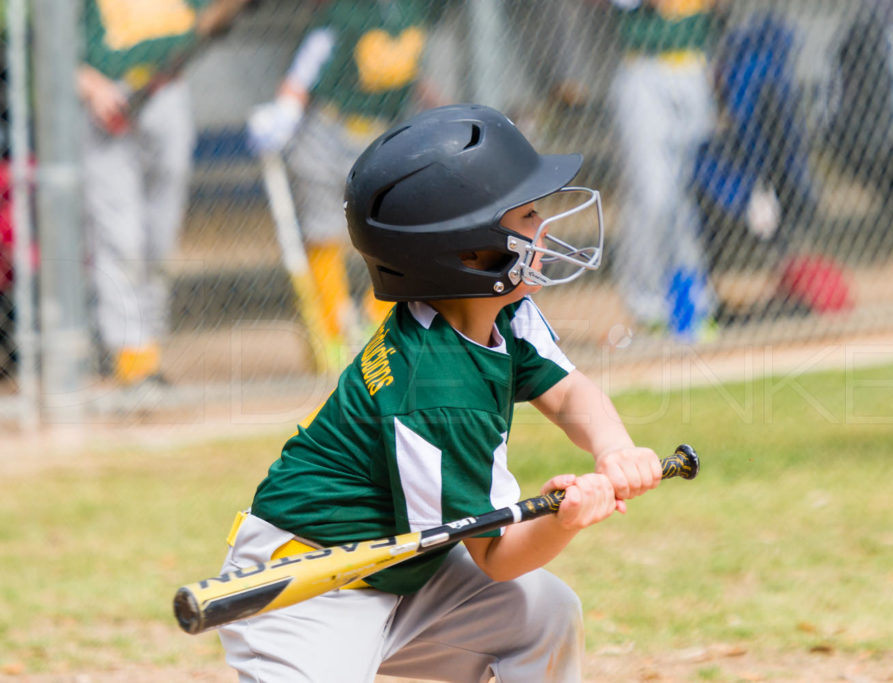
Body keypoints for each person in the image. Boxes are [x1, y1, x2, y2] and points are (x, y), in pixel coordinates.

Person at [217, 103, 663, 682]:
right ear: (471, 252)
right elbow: (497, 557)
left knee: (543, 614)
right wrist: (565, 521)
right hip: (305, 588)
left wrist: (614, 449)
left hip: (404, 572)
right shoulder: (437, 389)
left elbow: (570, 392)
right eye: (527, 216)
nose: (544, 228)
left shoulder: (499, 313)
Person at [246, 0, 443, 369]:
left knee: (402, 231)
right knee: (323, 233)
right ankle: (331, 334)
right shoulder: (344, 11)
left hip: (384, 133)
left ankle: (376, 324)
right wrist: (285, 109)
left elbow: (410, 73)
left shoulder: (418, 9)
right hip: (329, 129)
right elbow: (307, 66)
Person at [77, 0, 251, 386]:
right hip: (107, 98)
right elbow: (45, 43)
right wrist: (92, 87)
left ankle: (145, 348)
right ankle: (131, 357)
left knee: (159, 237)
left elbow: (206, 20)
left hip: (167, 91)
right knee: (120, 237)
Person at [601, 0, 719, 341]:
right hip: (645, 70)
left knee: (689, 199)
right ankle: (649, 305)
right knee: (652, 196)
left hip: (695, 68)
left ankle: (690, 302)